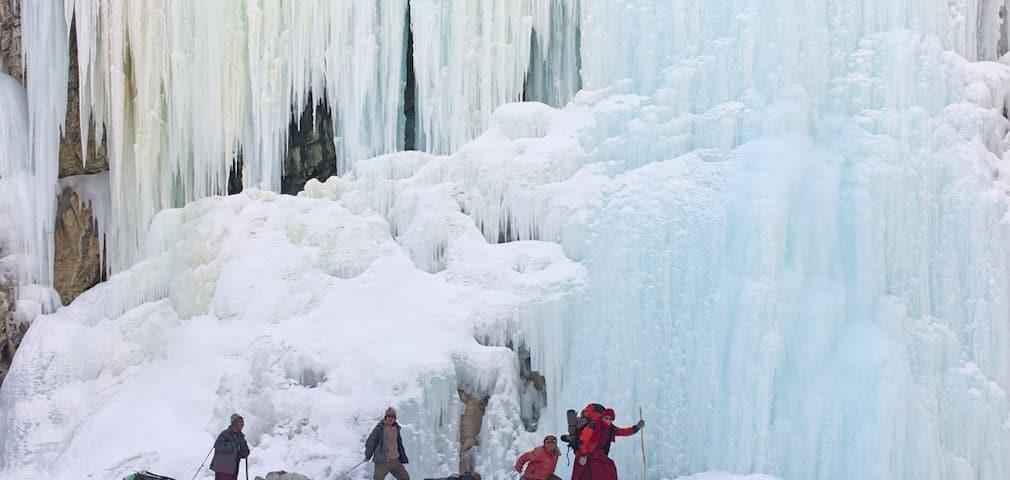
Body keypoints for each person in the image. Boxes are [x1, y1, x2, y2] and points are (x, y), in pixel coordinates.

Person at [570, 408, 644, 480]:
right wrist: (583, 455)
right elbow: (583, 439)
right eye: (606, 418)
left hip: (600, 455)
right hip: (588, 453)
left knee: (609, 469)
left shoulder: (611, 428)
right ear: (602, 417)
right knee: (586, 475)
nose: (608, 421)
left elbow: (623, 431)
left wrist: (636, 427)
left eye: (610, 419)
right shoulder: (593, 425)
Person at [365, 407, 411, 480]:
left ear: (395, 419)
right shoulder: (379, 429)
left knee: (405, 478)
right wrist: (368, 455)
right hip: (382, 461)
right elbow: (371, 442)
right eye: (389, 416)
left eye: (393, 417)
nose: (391, 418)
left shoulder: (396, 428)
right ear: (385, 417)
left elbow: (399, 444)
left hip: (395, 460)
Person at [209, 413, 250, 480]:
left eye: (242, 422)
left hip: (233, 470)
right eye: (239, 422)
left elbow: (244, 454)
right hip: (223, 469)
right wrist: (234, 445)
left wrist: (245, 451)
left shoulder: (241, 437)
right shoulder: (225, 434)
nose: (242, 424)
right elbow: (219, 446)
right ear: (234, 423)